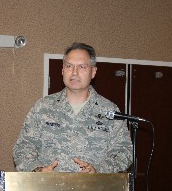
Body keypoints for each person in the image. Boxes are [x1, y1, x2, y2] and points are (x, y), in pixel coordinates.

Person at [13, 42, 133, 173]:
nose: (74, 72)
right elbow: (23, 147)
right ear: (63, 70)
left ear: (93, 72)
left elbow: (123, 152)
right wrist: (38, 170)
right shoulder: (42, 107)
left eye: (82, 67)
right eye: (69, 66)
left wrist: (99, 170)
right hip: (50, 189)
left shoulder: (109, 111)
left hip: (93, 189)